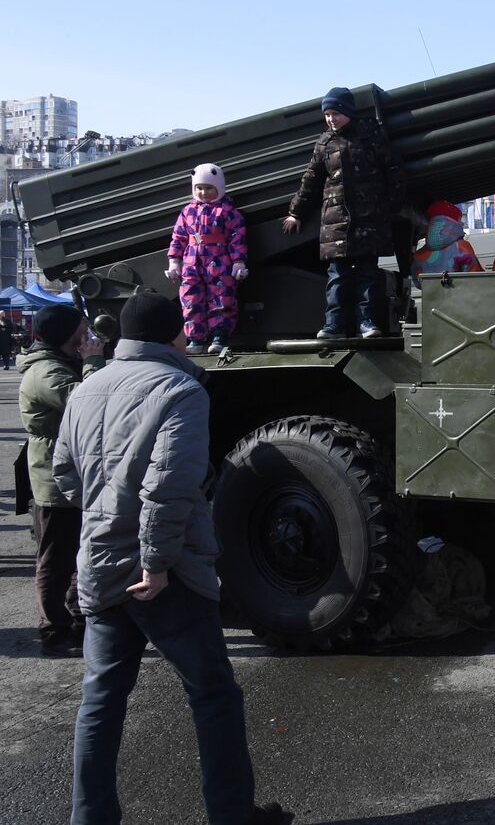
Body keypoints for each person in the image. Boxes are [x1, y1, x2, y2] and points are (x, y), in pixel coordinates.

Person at [52, 292, 293, 825]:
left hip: (99, 560)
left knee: (101, 701)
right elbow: (170, 485)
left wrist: (105, 513)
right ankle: (232, 816)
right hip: (166, 571)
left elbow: (64, 476)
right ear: (176, 335)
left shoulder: (85, 388)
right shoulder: (180, 389)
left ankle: (89, 818)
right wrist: (156, 561)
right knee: (212, 695)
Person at [283, 86, 405, 340]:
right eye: (327, 114)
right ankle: (333, 325)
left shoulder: (370, 135)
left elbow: (393, 170)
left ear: (348, 111)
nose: (331, 119)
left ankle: (367, 323)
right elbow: (311, 181)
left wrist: (390, 206)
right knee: (337, 278)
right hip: (336, 222)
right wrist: (296, 212)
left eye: (335, 113)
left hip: (370, 220)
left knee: (368, 276)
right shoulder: (324, 143)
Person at [19, 304, 105, 658]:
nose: (87, 332)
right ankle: (52, 633)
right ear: (64, 334)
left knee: (76, 555)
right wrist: (93, 362)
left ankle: (76, 620)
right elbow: (86, 405)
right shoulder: (46, 372)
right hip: (53, 482)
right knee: (54, 561)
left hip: (69, 474)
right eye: (81, 327)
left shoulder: (59, 363)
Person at [166, 162, 249, 354]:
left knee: (221, 298)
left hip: (219, 261)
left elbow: (237, 237)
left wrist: (238, 261)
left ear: (219, 187)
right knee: (191, 298)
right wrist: (174, 260)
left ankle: (219, 334)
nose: (204, 192)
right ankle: (195, 338)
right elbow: (178, 237)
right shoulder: (188, 211)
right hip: (192, 263)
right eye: (199, 188)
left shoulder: (228, 211)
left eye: (209, 188)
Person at [410, 200, 484, 279]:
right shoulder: (461, 247)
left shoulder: (418, 255)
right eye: (459, 220)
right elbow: (475, 277)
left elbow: (417, 282)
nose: (462, 224)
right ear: (452, 223)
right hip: (460, 291)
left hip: (430, 291)